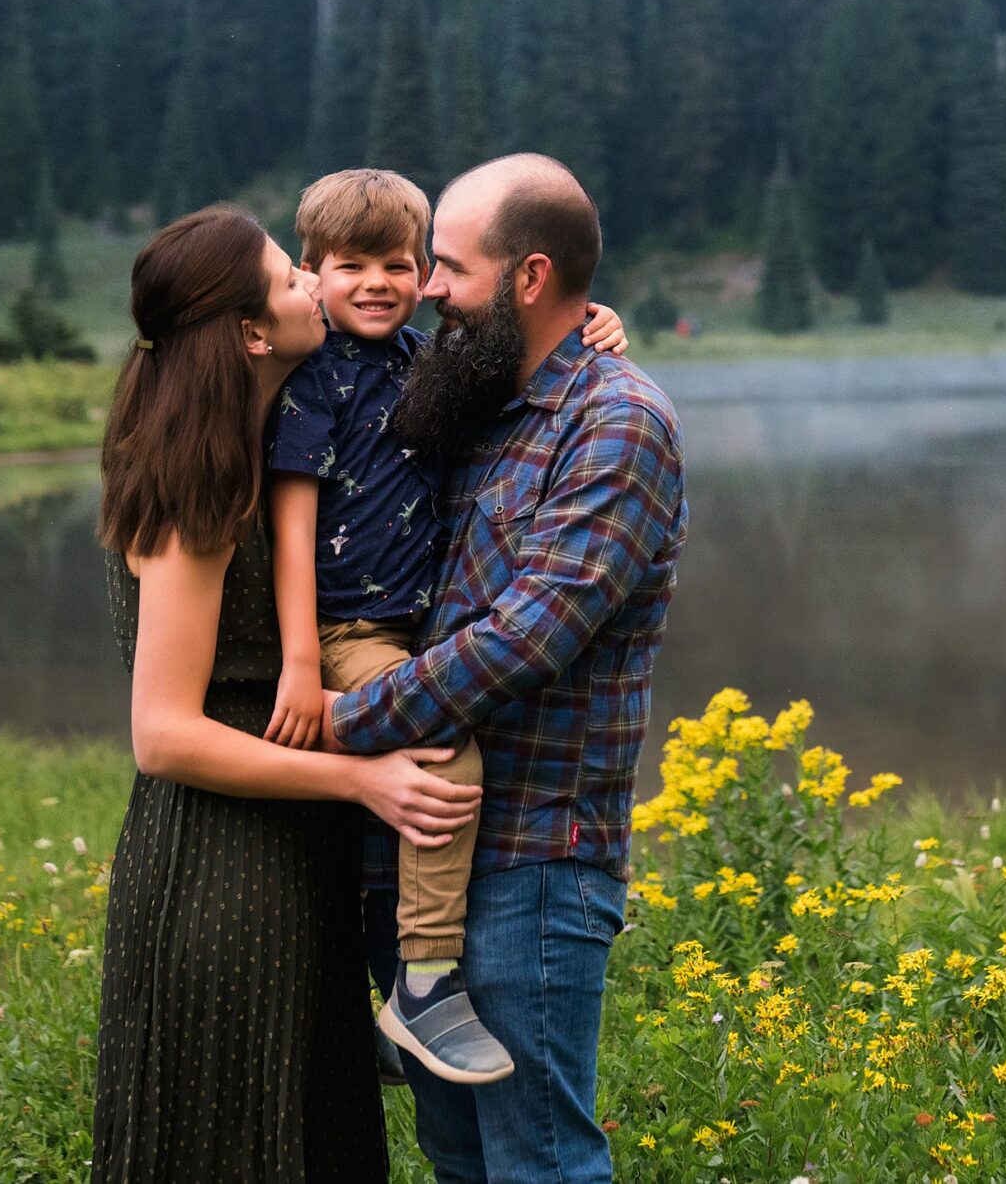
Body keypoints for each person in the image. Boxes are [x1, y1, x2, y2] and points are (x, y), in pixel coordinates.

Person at [89, 205, 483, 1184]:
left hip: (288, 857)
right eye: (292, 276)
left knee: (315, 1139)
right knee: (241, 1146)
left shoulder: (265, 430)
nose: (317, 283)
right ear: (253, 333)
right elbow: (164, 735)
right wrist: (361, 783)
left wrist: (585, 323)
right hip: (221, 872)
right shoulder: (194, 482)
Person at [327, 155, 686, 1184]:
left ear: (528, 278)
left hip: (532, 856)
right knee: (458, 1159)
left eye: (447, 265)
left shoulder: (617, 421)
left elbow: (524, 639)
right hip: (420, 848)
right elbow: (320, 330)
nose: (427, 286)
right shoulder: (470, 393)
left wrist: (334, 721)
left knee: (537, 1163)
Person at [261, 167, 625, 1084]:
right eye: (352, 266)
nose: (395, 284)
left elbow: (521, 340)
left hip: (414, 646)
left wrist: (593, 320)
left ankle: (401, 999)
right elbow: (290, 526)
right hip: (348, 628)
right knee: (444, 756)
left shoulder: (425, 360)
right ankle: (423, 980)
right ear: (311, 275)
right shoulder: (312, 380)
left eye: (411, 263)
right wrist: (303, 664)